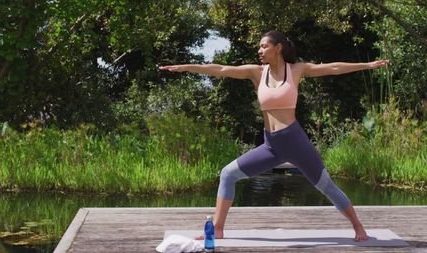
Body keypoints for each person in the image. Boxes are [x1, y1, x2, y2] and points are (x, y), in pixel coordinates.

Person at [159, 30, 389, 242]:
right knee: (228, 174)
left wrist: (367, 65)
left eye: (263, 46)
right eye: (259, 47)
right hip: (271, 145)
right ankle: (218, 228)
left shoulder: (296, 69)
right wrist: (187, 67)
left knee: (326, 186)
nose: (259, 50)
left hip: (295, 142)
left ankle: (358, 227)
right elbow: (220, 69)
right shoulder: (257, 73)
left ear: (278, 47)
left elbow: (333, 68)